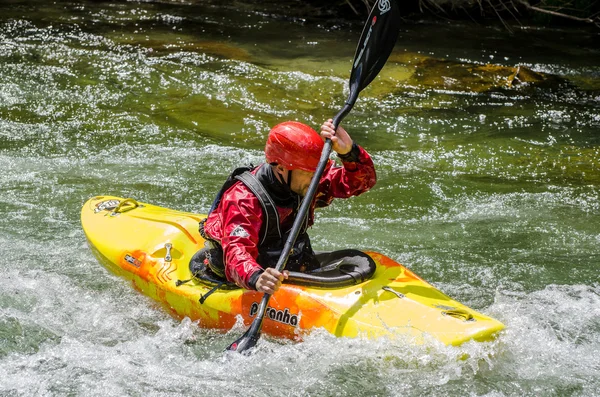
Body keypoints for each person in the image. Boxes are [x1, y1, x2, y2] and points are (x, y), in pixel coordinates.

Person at [197, 119, 376, 295]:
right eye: (310, 173)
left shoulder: (305, 180)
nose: (317, 179)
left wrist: (349, 153)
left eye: (318, 172)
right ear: (281, 169)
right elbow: (237, 251)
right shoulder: (243, 199)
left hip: (290, 264)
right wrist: (256, 277)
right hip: (247, 278)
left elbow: (361, 183)